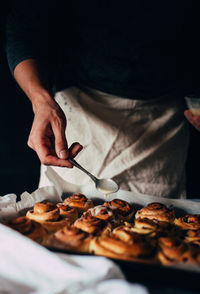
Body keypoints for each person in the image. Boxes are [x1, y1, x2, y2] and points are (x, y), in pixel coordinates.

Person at [5, 0, 200, 198]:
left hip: (162, 122)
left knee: (161, 224)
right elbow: (24, 30)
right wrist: (41, 101)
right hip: (78, 110)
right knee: (62, 217)